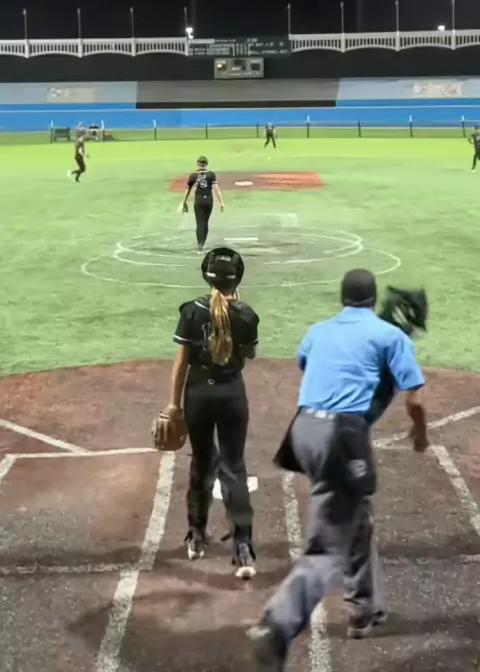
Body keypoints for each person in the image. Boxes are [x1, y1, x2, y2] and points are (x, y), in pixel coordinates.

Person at [247, 268, 428, 670]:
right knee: (328, 546)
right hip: (339, 437)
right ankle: (277, 624)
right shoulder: (391, 336)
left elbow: (312, 369)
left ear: (343, 298)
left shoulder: (319, 330)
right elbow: (415, 399)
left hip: (303, 431)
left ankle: (365, 610)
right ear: (373, 298)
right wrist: (420, 435)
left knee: (355, 516)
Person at [165, 246, 259, 578]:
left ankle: (196, 536)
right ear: (237, 278)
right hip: (231, 394)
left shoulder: (192, 311)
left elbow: (181, 363)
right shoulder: (246, 315)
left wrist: (173, 405)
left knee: (202, 463)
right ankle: (243, 547)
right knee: (234, 466)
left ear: (206, 276)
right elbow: (249, 355)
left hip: (198, 395)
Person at [181, 155, 225, 253]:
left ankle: (200, 245)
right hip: (208, 200)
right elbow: (216, 189)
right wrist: (221, 202)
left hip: (199, 200)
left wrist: (184, 202)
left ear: (198, 164)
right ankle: (203, 243)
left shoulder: (193, 175)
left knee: (199, 223)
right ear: (206, 164)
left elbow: (188, 189)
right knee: (205, 222)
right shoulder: (211, 175)